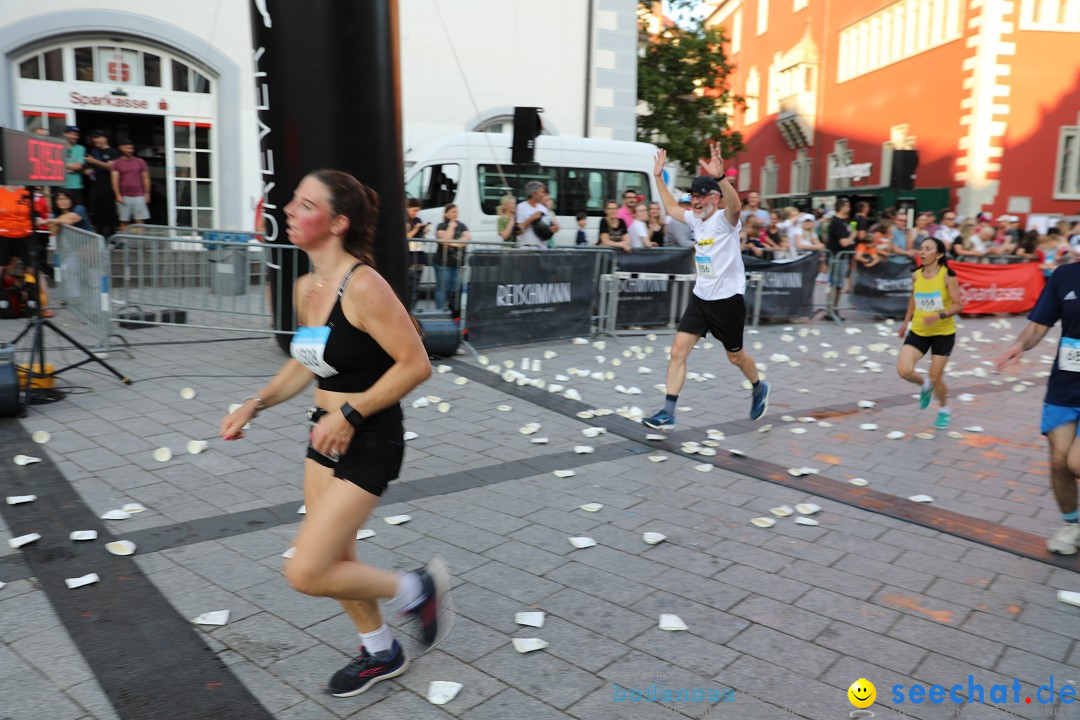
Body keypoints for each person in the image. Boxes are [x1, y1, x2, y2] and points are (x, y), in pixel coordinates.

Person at [219, 169, 449, 696]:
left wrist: (351, 414)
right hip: (320, 442)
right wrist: (255, 403)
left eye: (304, 205)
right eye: (292, 204)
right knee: (340, 561)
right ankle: (381, 652)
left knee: (306, 571)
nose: (289, 212)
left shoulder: (364, 285)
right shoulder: (307, 288)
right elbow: (307, 365)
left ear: (338, 223)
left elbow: (416, 365)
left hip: (370, 442)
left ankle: (416, 587)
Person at [642, 142, 770, 430]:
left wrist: (722, 178)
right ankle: (668, 412)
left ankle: (759, 386)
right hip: (701, 298)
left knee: (735, 356)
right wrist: (657, 176)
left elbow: (736, 205)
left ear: (715, 198)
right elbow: (672, 207)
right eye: (693, 198)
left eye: (701, 198)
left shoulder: (726, 221)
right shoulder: (695, 220)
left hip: (727, 302)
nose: (695, 203)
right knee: (678, 351)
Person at [997, 259, 1080, 554]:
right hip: (1065, 386)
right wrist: (1019, 345)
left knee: (1076, 462)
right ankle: (1072, 525)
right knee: (1059, 462)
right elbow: (1039, 324)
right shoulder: (1065, 275)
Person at [896, 238, 963, 430]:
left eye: (928, 249)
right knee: (904, 371)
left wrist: (938, 315)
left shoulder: (947, 276)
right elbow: (913, 298)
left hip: (943, 333)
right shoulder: (916, 275)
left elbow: (958, 305)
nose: (922, 252)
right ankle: (924, 385)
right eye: (921, 249)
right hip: (919, 330)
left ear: (939, 254)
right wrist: (905, 322)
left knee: (936, 377)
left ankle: (944, 410)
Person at [434, 203, 469, 315]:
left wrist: (450, 243)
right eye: (453, 212)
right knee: (442, 289)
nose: (455, 214)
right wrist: (451, 227)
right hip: (443, 263)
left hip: (457, 264)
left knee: (454, 290)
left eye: (456, 212)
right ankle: (439, 312)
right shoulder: (441, 225)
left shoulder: (463, 226)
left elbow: (467, 239)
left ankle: (451, 312)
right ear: (446, 213)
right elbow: (444, 239)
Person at [84, 130, 119, 238]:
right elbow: (86, 167)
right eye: (94, 138)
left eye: (97, 137)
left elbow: (111, 167)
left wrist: (94, 161)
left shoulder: (113, 152)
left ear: (105, 138)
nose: (95, 140)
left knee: (109, 212)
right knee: (96, 211)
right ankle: (99, 236)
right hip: (95, 186)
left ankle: (112, 236)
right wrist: (87, 170)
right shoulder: (93, 152)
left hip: (108, 187)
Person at [111, 139, 150, 232]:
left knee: (139, 220)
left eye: (131, 148)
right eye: (127, 148)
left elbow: (146, 178)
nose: (130, 150)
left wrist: (147, 194)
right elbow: (114, 180)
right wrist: (117, 195)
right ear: (120, 148)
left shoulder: (140, 162)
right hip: (123, 196)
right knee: (124, 220)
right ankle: (125, 242)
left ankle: (140, 243)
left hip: (139, 195)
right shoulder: (116, 163)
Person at [515, 181, 557, 249]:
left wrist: (553, 229)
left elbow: (547, 226)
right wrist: (531, 218)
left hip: (542, 248)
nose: (544, 195)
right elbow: (518, 231)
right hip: (527, 249)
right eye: (542, 192)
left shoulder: (543, 208)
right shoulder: (521, 207)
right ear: (533, 193)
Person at [404, 197, 428, 311]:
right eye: (414, 210)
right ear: (407, 208)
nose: (415, 213)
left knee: (415, 287)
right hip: (408, 258)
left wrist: (424, 231)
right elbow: (405, 237)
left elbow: (420, 237)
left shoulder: (418, 219)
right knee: (407, 286)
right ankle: (407, 309)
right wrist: (414, 230)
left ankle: (412, 309)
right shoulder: (404, 220)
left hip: (418, 257)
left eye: (417, 210)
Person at [62, 125, 85, 207]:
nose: (74, 137)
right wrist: (71, 167)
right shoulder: (59, 146)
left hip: (76, 186)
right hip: (61, 186)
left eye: (76, 135)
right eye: (72, 134)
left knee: (77, 211)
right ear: (65, 134)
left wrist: (62, 165)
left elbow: (78, 166)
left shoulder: (81, 148)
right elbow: (53, 165)